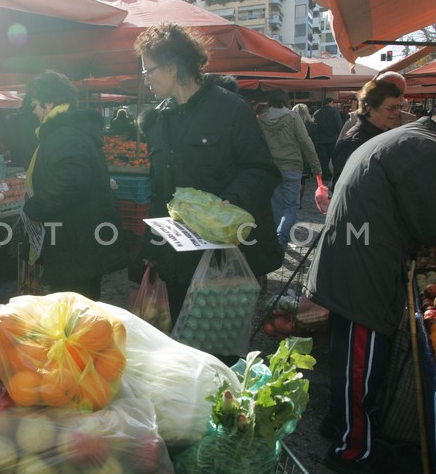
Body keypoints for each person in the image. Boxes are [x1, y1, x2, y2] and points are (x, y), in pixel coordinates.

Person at [306, 103, 436, 474]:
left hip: (356, 259)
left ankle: (345, 426)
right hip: (365, 268)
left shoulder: (411, 137)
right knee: (361, 365)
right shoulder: (427, 149)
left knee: (354, 361)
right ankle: (350, 452)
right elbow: (435, 224)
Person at [134, 23, 282, 322]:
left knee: (218, 349)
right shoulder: (159, 118)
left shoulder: (230, 109)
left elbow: (262, 170)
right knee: (180, 345)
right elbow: (160, 187)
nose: (145, 79)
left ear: (173, 67)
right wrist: (152, 243)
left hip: (221, 258)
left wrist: (228, 202)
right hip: (176, 258)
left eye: (148, 70)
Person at [21, 70, 125, 299]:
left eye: (36, 104)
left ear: (49, 104)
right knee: (81, 306)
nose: (33, 110)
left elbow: (71, 182)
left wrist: (34, 206)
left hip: (77, 244)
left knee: (74, 309)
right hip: (79, 241)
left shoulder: (66, 133)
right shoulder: (69, 130)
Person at [257, 89, 322, 247]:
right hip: (292, 166)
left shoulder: (260, 119)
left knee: (275, 204)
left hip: (270, 168)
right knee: (291, 206)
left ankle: (274, 237)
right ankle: (281, 237)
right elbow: (306, 143)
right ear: (286, 100)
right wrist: (316, 167)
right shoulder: (292, 117)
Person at [328, 78, 403, 192]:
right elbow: (342, 190)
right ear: (369, 109)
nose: (397, 112)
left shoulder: (387, 136)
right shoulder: (352, 143)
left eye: (398, 107)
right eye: (391, 108)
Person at [312, 97, 344, 181]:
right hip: (333, 138)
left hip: (321, 139)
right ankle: (332, 174)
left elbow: (314, 127)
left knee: (323, 158)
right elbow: (339, 125)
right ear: (330, 102)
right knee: (332, 158)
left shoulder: (317, 113)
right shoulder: (334, 112)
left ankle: (325, 175)